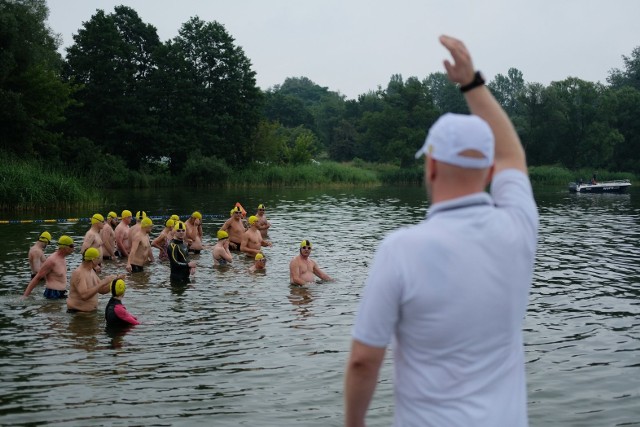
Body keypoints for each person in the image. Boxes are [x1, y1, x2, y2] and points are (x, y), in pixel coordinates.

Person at [344, 35, 539, 427]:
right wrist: (472, 83)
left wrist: (354, 423)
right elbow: (512, 153)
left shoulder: (401, 250)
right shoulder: (519, 225)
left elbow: (364, 361)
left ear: (430, 167)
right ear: (489, 173)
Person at [67, 247, 122, 313]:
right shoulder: (79, 273)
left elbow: (101, 290)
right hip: (78, 314)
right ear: (93, 260)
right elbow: (84, 296)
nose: (100, 260)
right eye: (98, 258)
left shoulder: (91, 271)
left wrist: (115, 281)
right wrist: (104, 281)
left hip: (90, 313)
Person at [23, 235, 75, 299]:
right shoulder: (52, 261)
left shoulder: (63, 258)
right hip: (52, 294)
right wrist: (25, 296)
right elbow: (37, 277)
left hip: (62, 292)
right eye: (71, 246)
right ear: (64, 247)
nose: (73, 248)